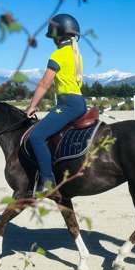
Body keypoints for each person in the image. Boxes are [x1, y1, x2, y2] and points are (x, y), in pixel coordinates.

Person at [26, 13, 87, 194]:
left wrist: (32, 106)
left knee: (36, 137)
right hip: (79, 101)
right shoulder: (77, 55)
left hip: (68, 104)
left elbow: (45, 83)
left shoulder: (58, 55)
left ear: (57, 36)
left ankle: (47, 181)